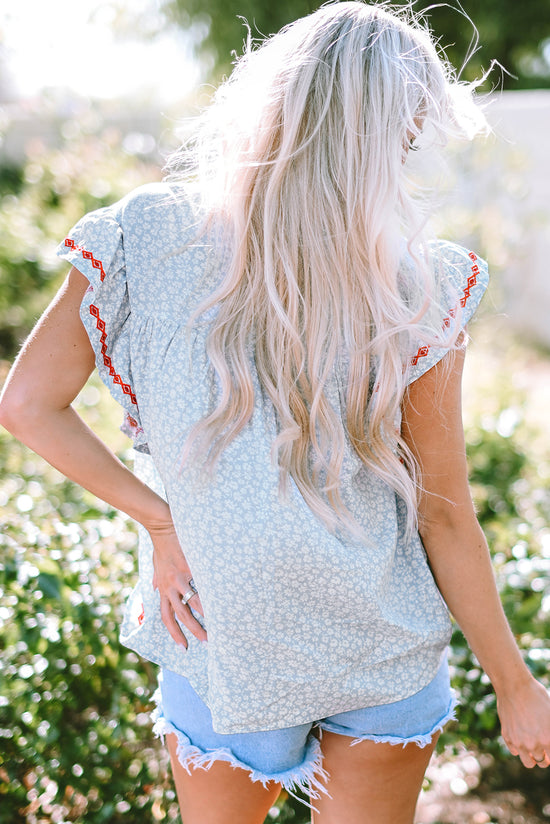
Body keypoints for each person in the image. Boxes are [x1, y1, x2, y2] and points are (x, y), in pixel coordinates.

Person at [1, 2, 549, 822]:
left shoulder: (148, 235)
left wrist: (160, 520)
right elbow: (444, 517)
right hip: (381, 642)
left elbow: (26, 405)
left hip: (225, 633)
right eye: (407, 137)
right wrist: (518, 686)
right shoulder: (419, 286)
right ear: (381, 140)